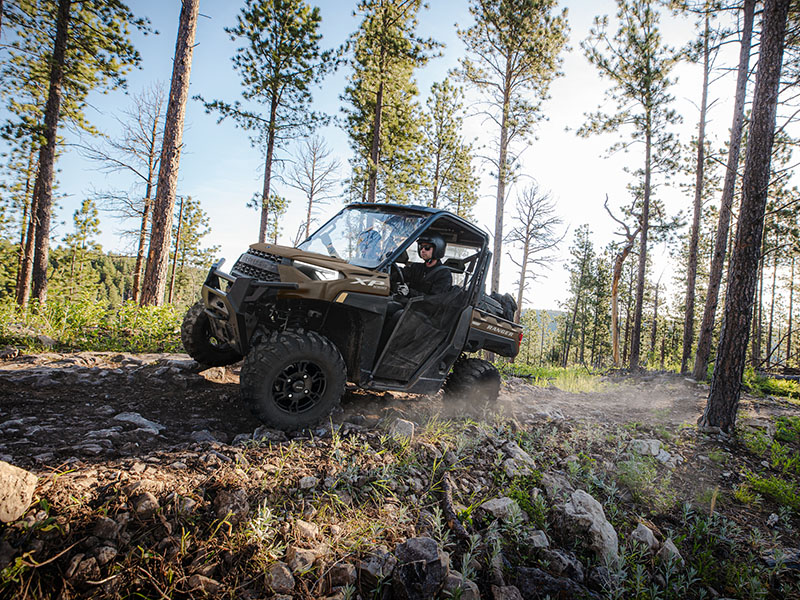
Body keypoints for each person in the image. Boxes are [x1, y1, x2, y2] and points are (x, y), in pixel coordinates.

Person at [397, 233, 452, 297]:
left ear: (438, 249)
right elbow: (401, 273)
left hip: (421, 303)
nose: (422, 250)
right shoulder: (416, 268)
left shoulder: (443, 274)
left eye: (427, 247)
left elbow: (434, 299)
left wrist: (409, 292)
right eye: (421, 247)